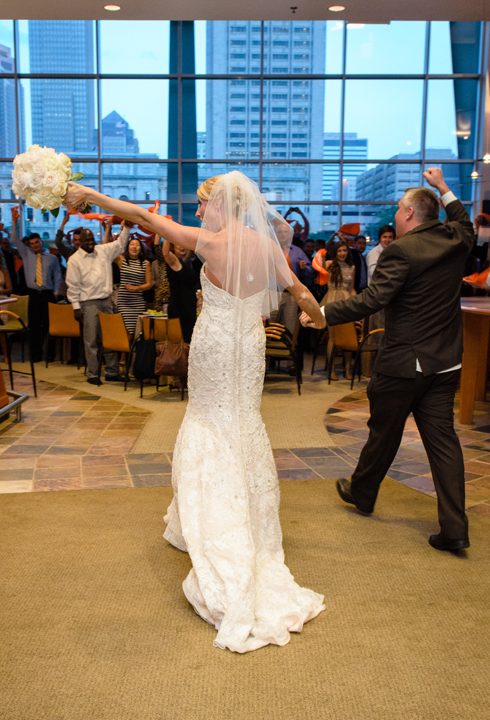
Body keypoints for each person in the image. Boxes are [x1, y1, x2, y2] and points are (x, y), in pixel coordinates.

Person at [63, 170, 326, 653]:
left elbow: (142, 216)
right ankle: (236, 515)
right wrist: (319, 317)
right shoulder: (268, 248)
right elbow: (302, 293)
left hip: (214, 344)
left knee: (209, 420)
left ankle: (218, 525)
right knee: (243, 421)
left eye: (204, 205)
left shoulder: (210, 241)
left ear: (222, 205)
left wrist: (89, 195)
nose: (200, 213)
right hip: (248, 347)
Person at [301, 168, 475, 552]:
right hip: (446, 363)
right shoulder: (456, 238)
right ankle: (454, 528)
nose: (396, 214)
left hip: (404, 364)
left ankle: (362, 492)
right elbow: (463, 219)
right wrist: (444, 187)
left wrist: (322, 314)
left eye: (399, 208)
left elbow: (372, 300)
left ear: (411, 214)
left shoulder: (402, 250)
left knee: (383, 432)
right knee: (443, 442)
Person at [66, 227, 129, 386]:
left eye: (92, 239)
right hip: (88, 303)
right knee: (91, 341)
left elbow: (120, 245)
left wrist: (126, 228)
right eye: (87, 240)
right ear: (80, 241)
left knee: (109, 338)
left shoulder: (103, 251)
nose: (90, 243)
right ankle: (93, 374)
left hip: (106, 300)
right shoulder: (74, 259)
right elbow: (73, 286)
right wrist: (76, 307)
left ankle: (112, 372)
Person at [10, 211, 62, 363]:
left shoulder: (52, 258)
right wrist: (14, 222)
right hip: (32, 293)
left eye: (36, 243)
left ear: (41, 242)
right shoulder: (26, 255)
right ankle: (36, 355)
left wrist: (57, 293)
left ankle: (50, 355)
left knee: (49, 326)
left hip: (47, 294)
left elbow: (58, 276)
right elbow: (15, 239)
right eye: (31, 244)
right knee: (33, 326)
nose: (34, 246)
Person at [320, 240, 355, 380]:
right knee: (333, 337)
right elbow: (320, 266)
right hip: (332, 299)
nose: (342, 253)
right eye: (339, 250)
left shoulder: (352, 267)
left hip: (346, 300)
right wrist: (328, 245)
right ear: (335, 252)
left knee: (348, 335)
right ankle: (331, 369)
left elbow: (351, 289)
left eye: (344, 250)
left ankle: (347, 369)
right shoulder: (329, 264)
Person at [156, 237, 197, 344]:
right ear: (173, 247)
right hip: (180, 308)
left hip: (188, 308)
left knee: (189, 342)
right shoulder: (174, 261)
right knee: (181, 345)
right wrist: (166, 234)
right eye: (178, 244)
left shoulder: (189, 263)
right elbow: (165, 253)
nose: (182, 246)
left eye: (183, 243)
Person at [117, 237, 151, 338]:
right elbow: (109, 249)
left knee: (137, 333)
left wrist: (136, 288)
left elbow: (148, 285)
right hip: (123, 302)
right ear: (127, 248)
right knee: (125, 332)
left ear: (141, 248)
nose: (134, 247)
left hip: (137, 303)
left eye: (137, 245)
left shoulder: (145, 263)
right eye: (132, 244)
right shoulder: (121, 260)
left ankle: (133, 353)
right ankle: (125, 354)